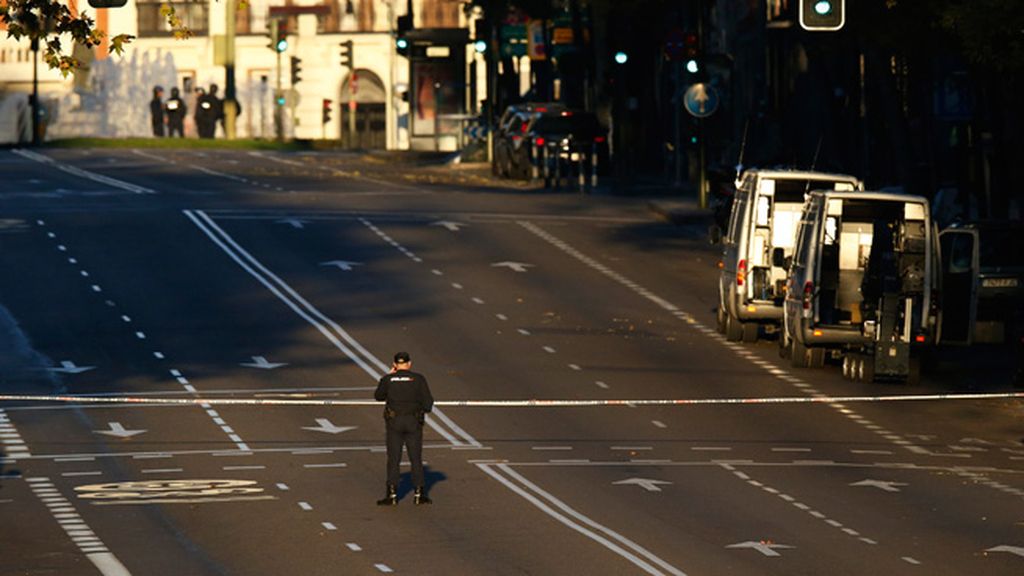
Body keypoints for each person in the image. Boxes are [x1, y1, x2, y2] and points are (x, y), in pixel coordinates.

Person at [374, 351, 434, 506]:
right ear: (409, 364)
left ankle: (392, 494)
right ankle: (419, 493)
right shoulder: (418, 379)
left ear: (395, 365)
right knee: (415, 457)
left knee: (394, 458)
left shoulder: (388, 380)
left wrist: (386, 377)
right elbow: (428, 404)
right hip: (413, 421)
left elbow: (378, 396)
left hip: (394, 422)